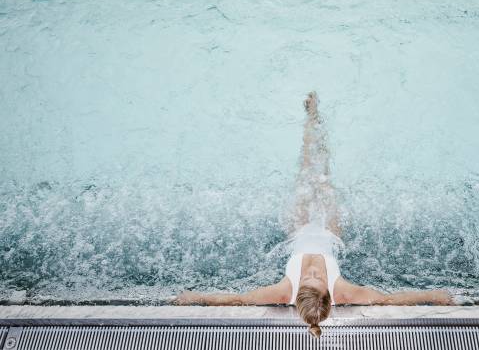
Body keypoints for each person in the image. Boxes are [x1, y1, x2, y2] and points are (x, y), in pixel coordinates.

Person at [173, 92, 454, 338]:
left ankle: (311, 117)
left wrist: (194, 297)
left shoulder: (285, 290)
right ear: (331, 296)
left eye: (309, 279)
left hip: (297, 230)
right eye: (316, 279)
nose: (312, 272)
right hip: (330, 231)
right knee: (322, 176)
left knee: (307, 167)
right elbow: (388, 300)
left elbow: (238, 300)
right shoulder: (342, 290)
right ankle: (316, 117)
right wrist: (434, 296)